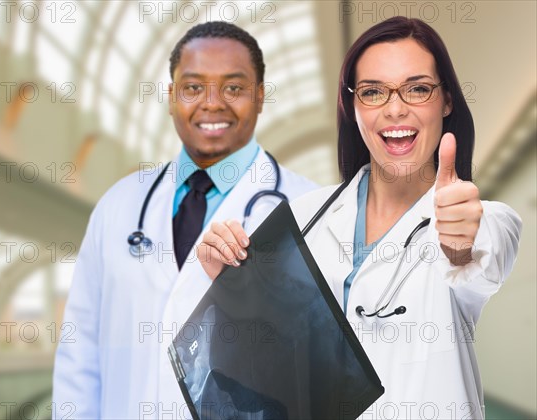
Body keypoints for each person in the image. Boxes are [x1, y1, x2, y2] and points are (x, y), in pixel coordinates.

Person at [199, 17, 522, 419]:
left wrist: (459, 247)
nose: (395, 109)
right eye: (372, 92)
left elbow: (481, 257)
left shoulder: (486, 221)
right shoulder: (303, 218)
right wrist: (232, 288)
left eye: (418, 88)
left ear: (447, 101)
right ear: (352, 107)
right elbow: (269, 358)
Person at [52, 21, 317, 419]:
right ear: (172, 96)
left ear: (260, 97)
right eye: (193, 87)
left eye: (233, 87)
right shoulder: (117, 207)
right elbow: (79, 354)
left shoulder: (308, 208)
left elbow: (318, 364)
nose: (212, 103)